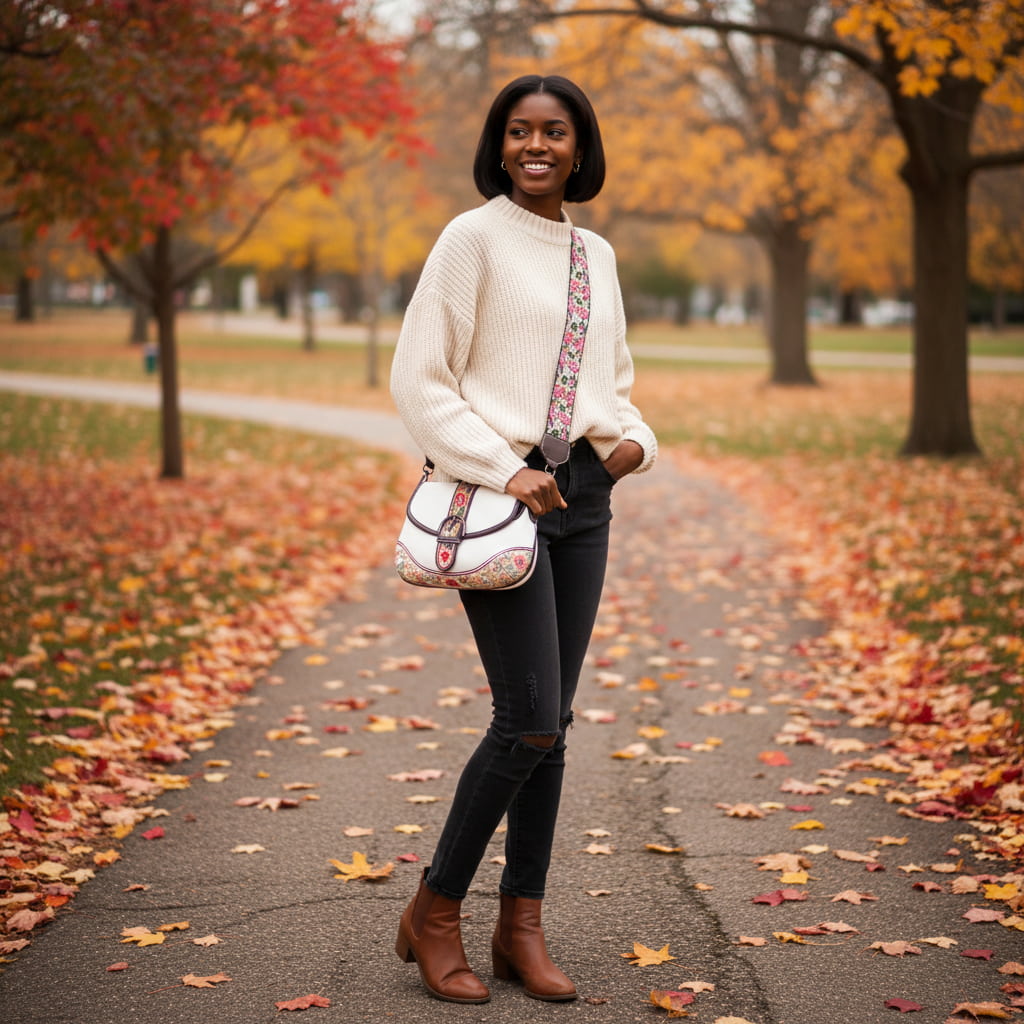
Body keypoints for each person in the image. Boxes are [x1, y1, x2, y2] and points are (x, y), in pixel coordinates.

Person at [389, 73, 657, 1005]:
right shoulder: (471, 239)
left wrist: (631, 445)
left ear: (580, 148)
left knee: (556, 729)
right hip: (501, 494)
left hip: (584, 496)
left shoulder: (598, 257)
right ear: (498, 146)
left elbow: (613, 382)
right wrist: (506, 470)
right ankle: (434, 909)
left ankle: (521, 924)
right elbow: (421, 382)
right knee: (530, 719)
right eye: (518, 132)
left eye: (554, 132)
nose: (536, 146)